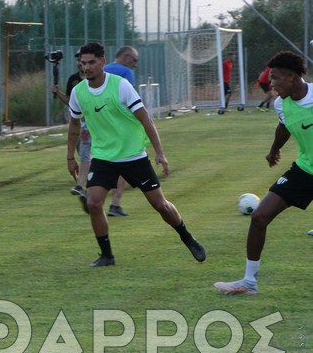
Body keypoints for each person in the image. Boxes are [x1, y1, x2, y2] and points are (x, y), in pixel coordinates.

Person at [67, 42, 206, 267]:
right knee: (93, 203)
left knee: (160, 205)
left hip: (133, 157)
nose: (87, 67)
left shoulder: (120, 86)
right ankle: (107, 255)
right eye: (83, 63)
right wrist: (70, 158)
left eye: (92, 62)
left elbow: (145, 119)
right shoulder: (78, 92)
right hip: (103, 158)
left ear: (102, 62)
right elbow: (74, 125)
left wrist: (160, 153)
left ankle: (187, 237)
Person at [215, 51, 313, 295]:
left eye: (275, 78)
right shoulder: (281, 103)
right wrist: (274, 150)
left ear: (291, 77)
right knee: (259, 217)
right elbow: (284, 126)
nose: (270, 84)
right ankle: (249, 282)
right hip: (305, 170)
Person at [102, 45, 140, 217]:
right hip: (119, 127)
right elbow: (130, 102)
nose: (135, 64)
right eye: (134, 60)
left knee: (103, 163)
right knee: (124, 166)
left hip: (99, 126)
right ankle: (115, 204)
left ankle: (91, 195)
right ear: (125, 57)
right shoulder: (125, 73)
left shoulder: (101, 70)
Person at [51, 50, 90, 211]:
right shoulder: (73, 81)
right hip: (81, 125)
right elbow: (70, 102)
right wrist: (57, 93)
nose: (81, 62)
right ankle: (85, 188)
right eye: (79, 59)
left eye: (83, 59)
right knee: (86, 156)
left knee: (92, 157)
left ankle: (85, 188)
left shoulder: (98, 80)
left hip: (98, 126)